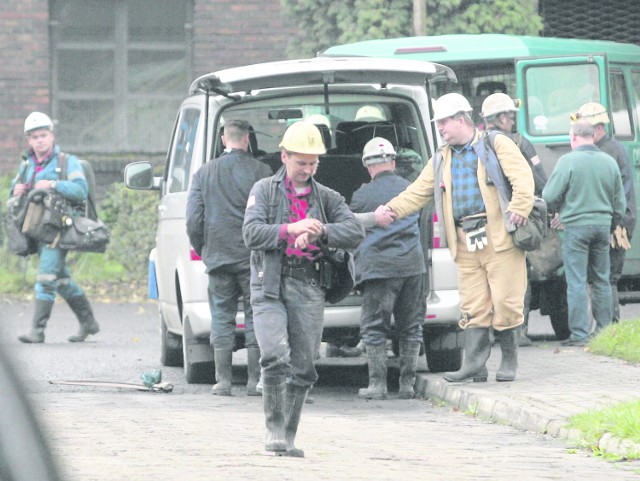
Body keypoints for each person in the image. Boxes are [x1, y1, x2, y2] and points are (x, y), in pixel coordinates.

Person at [378, 93, 534, 383]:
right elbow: (417, 192)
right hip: (464, 241)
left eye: (445, 122)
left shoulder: (496, 143)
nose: (440, 128)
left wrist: (521, 207)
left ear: (462, 119)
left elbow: (522, 177)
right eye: (439, 123)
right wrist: (391, 209)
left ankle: (509, 360)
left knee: (506, 302)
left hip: (499, 236)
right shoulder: (441, 157)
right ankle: (475, 364)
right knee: (473, 305)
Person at [242, 120, 364, 457]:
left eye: (313, 163)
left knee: (304, 366)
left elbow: (354, 231)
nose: (307, 169)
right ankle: (274, 430)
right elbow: (251, 233)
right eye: (301, 162)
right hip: (269, 284)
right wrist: (289, 228)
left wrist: (322, 231)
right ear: (284, 156)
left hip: (309, 285)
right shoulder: (264, 190)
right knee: (273, 354)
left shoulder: (327, 197)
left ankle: (289, 436)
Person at [186, 119, 271, 396]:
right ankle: (253, 380)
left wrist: (204, 248)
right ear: (247, 140)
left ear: (224, 140)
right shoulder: (262, 172)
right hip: (253, 256)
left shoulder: (203, 173)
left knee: (221, 316)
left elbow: (193, 219)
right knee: (256, 313)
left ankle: (222, 381)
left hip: (219, 256)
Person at [11, 112, 99, 344]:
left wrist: (52, 184)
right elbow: (16, 188)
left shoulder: (66, 161)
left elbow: (81, 190)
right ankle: (89, 323)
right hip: (36, 230)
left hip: (59, 230)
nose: (40, 140)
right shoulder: (26, 164)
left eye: (43, 135)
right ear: (29, 141)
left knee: (46, 277)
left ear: (52, 136)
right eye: (35, 137)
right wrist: (16, 189)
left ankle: (37, 331)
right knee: (62, 280)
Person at [350, 137, 426, 400]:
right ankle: (407, 385)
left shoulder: (362, 195)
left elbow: (351, 228)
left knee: (374, 328)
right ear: (393, 162)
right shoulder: (410, 188)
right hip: (412, 266)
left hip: (379, 269)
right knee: (411, 326)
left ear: (367, 167)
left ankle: (378, 385)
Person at [542, 119, 625, 347]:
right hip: (602, 227)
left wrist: (558, 211)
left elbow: (548, 196)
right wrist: (609, 224)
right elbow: (620, 203)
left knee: (577, 282)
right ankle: (604, 332)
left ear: (574, 138)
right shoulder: (609, 162)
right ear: (593, 136)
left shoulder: (567, 161)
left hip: (575, 229)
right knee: (601, 280)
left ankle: (579, 336)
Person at [481, 92, 549, 346]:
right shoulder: (520, 142)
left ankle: (487, 332)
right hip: (516, 219)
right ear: (500, 118)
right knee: (519, 276)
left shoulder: (475, 143)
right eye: (509, 115)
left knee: (485, 276)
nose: (511, 120)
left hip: (484, 221)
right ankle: (518, 332)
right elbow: (539, 179)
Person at [572, 102, 637, 324]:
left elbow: (615, 195)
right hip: (619, 221)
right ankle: (610, 328)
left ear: (598, 128)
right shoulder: (614, 148)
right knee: (607, 277)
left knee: (607, 277)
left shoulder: (606, 152)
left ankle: (610, 328)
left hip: (615, 224)